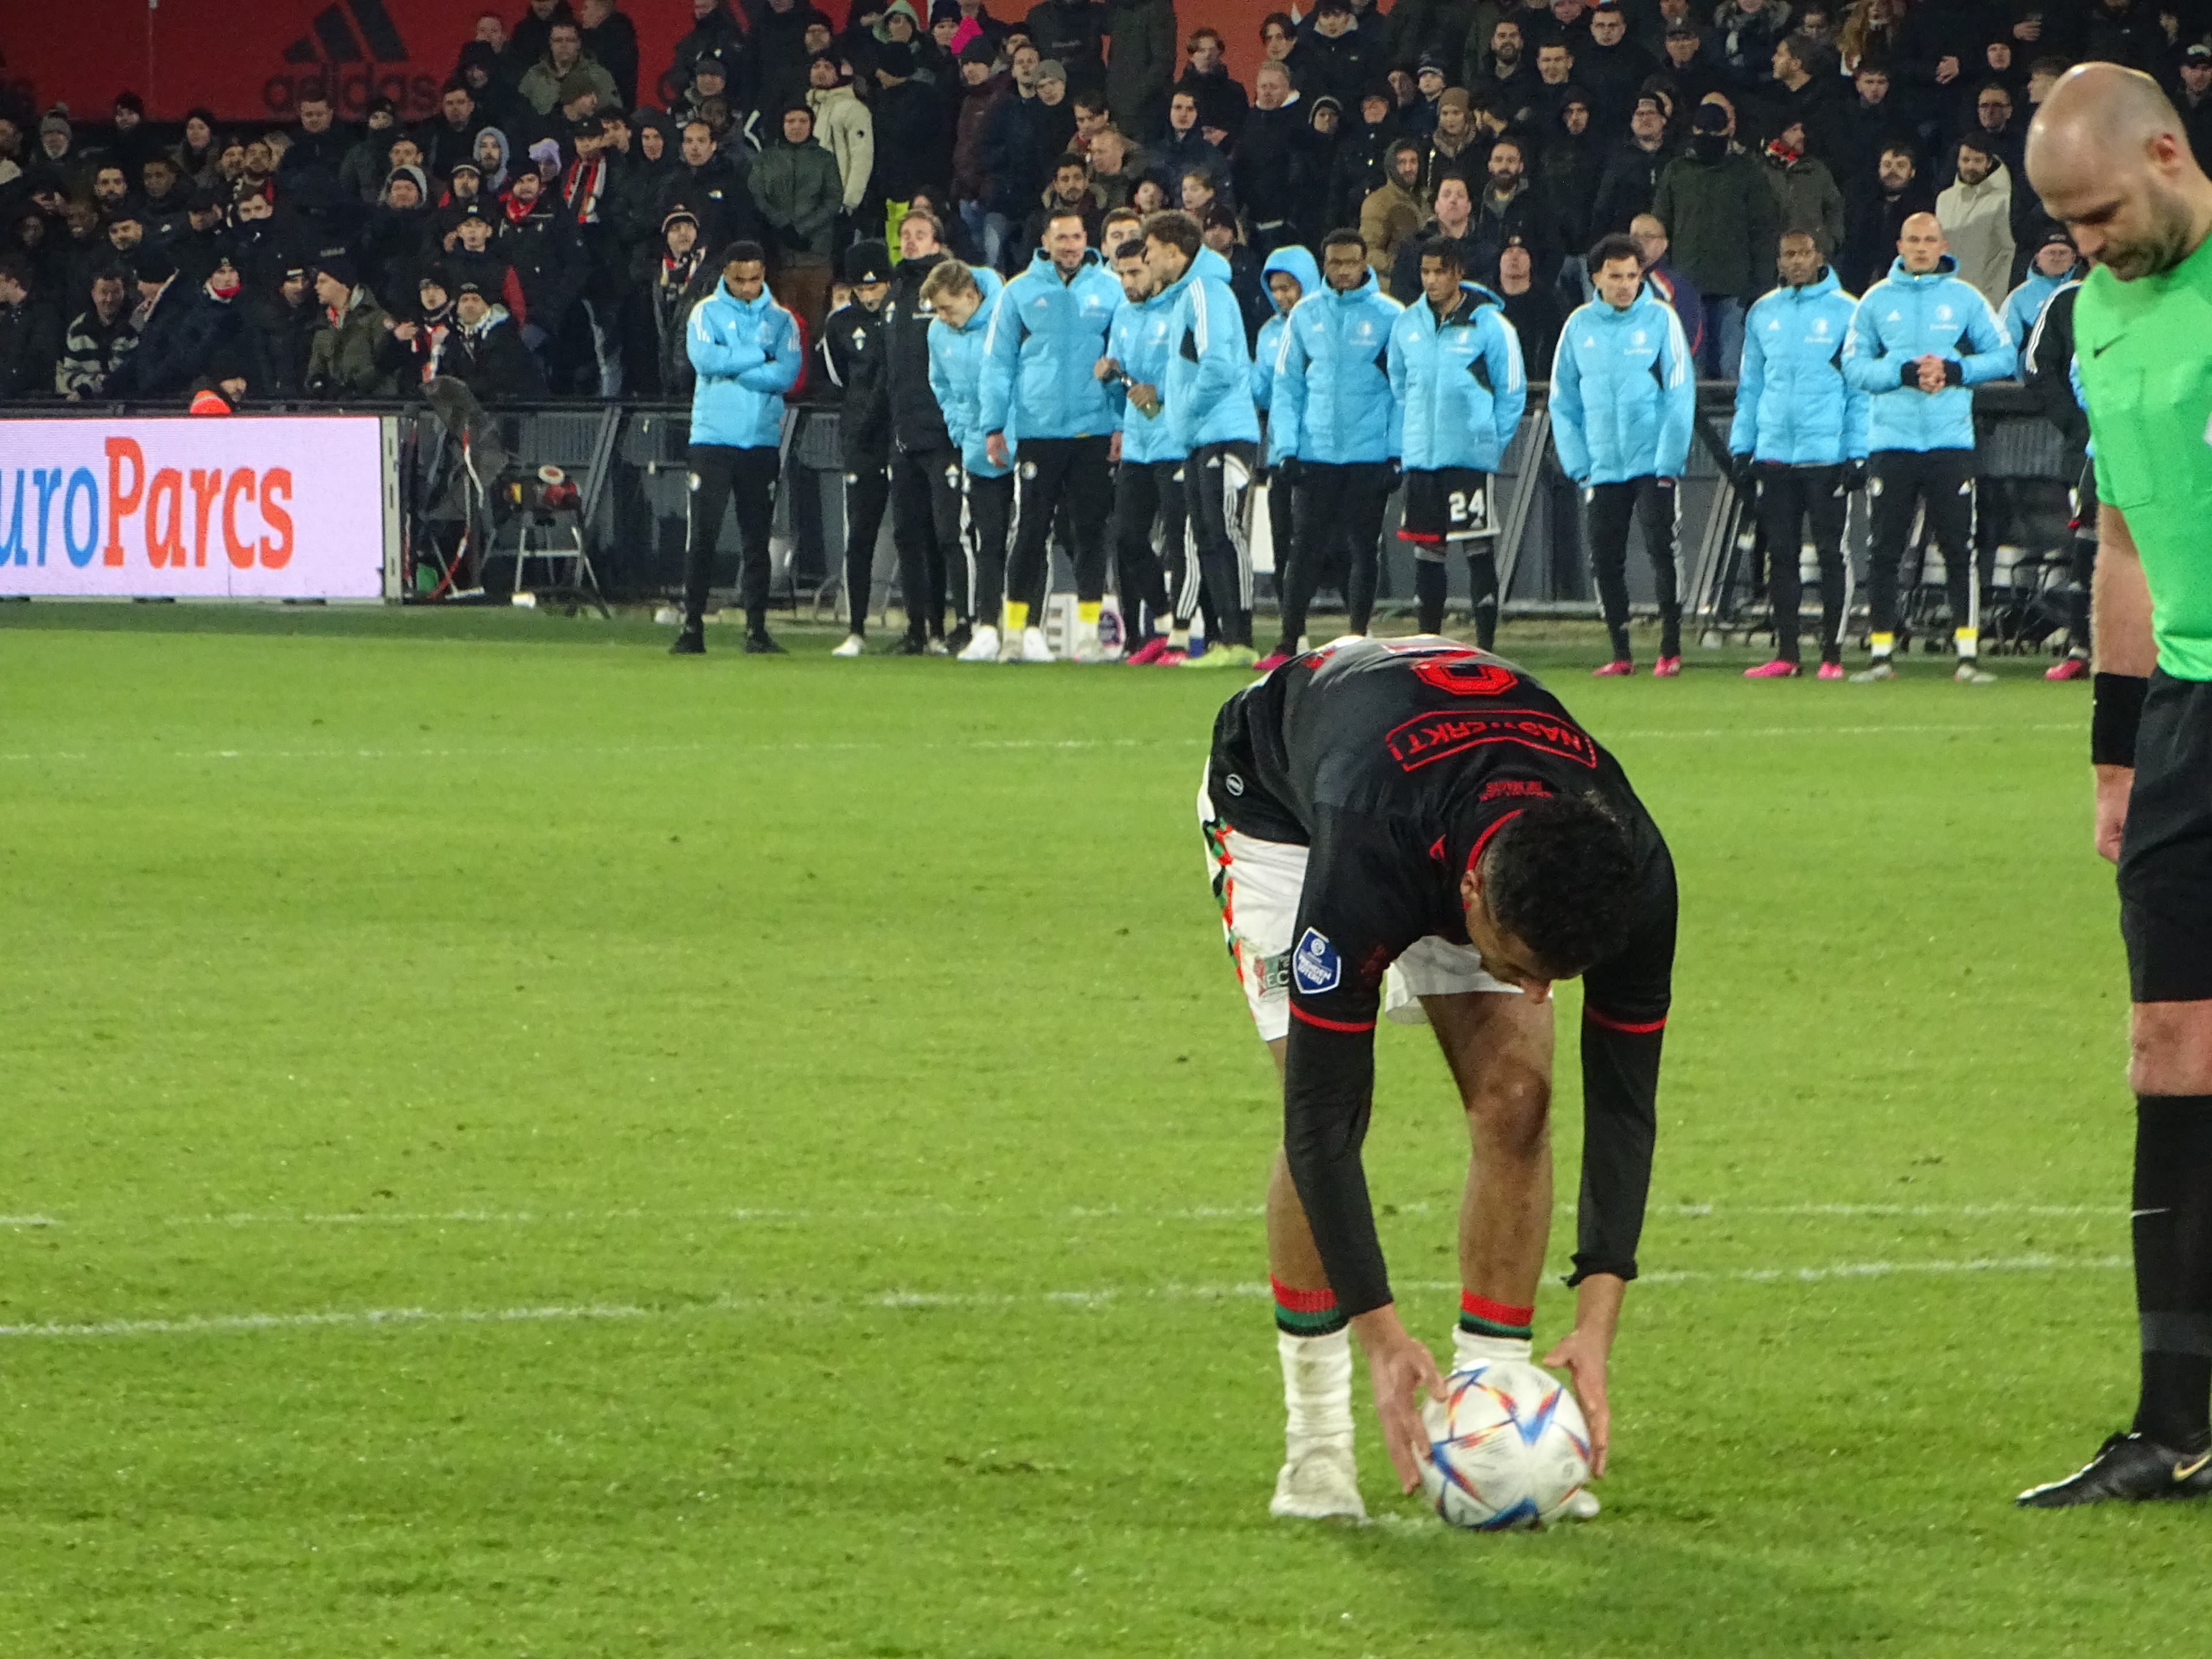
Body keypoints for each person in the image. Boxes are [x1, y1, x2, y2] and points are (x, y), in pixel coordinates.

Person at [1196, 634, 1676, 1521]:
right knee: (1336, 1095)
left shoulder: (1630, 869)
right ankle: (1316, 1447)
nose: (1535, 992)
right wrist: (1381, 1333)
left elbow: (1624, 1102)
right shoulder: (1366, 854)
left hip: (1456, 780)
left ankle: (1492, 1418)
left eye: (1556, 978)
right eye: (1523, 966)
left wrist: (1600, 1315)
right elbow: (1321, 1122)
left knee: (1520, 1098)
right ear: (1473, 900)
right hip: (1289, 816)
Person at [2017, 61, 2212, 1508]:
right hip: (2184, 724)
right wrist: (2111, 754)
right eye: (2068, 226)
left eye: (2099, 214)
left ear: (2166, 149)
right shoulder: (2087, 319)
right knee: (2166, 1048)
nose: (2089, 245)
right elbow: (2126, 548)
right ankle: (2168, 1423)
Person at [1840, 212, 2013, 683]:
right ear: (1900, 245)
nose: (1920, 248)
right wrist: (1901, 374)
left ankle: (1967, 657)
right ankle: (1880, 655)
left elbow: (2003, 354)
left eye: (1929, 240)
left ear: (1943, 245)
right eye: (1913, 240)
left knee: (1960, 550)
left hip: (1949, 441)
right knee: (1884, 552)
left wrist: (1955, 372)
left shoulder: (1964, 298)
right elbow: (1853, 366)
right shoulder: (1876, 301)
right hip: (1891, 442)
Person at [978, 207, 1121, 662]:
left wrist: (1119, 424)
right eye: (1062, 238)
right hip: (1038, 430)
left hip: (1093, 428)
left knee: (1091, 531)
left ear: (1087, 239)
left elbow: (1122, 358)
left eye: (1077, 236)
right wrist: (993, 425)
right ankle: (1015, 634)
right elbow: (998, 362)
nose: (1071, 245)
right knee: (1031, 531)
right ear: (1046, 241)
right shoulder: (1019, 291)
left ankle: (1087, 638)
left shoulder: (1111, 289)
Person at [1551, 232, 1696, 676]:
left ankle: (1670, 648)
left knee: (1661, 550)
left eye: (1632, 276)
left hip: (1653, 460)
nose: (1624, 284)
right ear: (1596, 277)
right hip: (1602, 465)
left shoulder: (1661, 320)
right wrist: (1580, 466)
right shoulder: (1578, 326)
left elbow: (1680, 391)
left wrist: (1670, 458)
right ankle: (1621, 653)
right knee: (1605, 557)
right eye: (1615, 276)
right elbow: (1562, 400)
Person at [1729, 229, 1870, 679]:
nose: (1795, 262)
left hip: (1825, 453)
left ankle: (1832, 654)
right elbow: (1750, 385)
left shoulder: (1848, 311)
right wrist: (1742, 444)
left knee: (1831, 552)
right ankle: (1787, 654)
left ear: (1819, 257)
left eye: (1803, 253)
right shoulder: (1762, 312)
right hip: (1774, 453)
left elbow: (1859, 390)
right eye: (1787, 254)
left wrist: (1857, 452)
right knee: (1782, 555)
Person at [1264, 228, 1404, 665]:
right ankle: (1289, 641)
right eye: (1334, 263)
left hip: (1368, 453)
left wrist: (1396, 451)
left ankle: (1358, 637)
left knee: (1363, 547)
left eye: (1350, 263)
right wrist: (1285, 448)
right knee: (1303, 546)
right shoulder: (1304, 316)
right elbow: (1286, 386)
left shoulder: (1391, 316)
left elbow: (1402, 390)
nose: (1342, 271)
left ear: (1365, 264)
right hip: (1315, 452)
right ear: (1324, 264)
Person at [1388, 237, 1526, 647]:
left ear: (1458, 273)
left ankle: (1486, 644)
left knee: (1477, 547)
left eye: (1438, 273)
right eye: (1425, 273)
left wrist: (1488, 441)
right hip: (1422, 457)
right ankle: (1429, 644)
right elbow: (1400, 384)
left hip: (1468, 456)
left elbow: (1512, 390)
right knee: (1428, 553)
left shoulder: (1490, 325)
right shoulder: (1407, 324)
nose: (1430, 281)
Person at [1143, 207, 1266, 667]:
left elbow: (1218, 366)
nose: (1148, 261)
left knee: (1225, 533)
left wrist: (1186, 410)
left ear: (1175, 253)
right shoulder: (1187, 295)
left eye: (1152, 252)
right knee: (1208, 537)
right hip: (1200, 436)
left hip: (1223, 432)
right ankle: (1224, 640)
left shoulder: (1205, 292)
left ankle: (1240, 638)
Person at [671, 241, 804, 656]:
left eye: (755, 279)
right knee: (703, 536)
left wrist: (736, 365)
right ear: (726, 275)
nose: (748, 287)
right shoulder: (705, 312)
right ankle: (692, 628)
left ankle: (757, 630)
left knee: (756, 539)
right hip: (711, 439)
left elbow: (785, 374)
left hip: (761, 441)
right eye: (739, 279)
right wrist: (755, 357)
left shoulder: (783, 320)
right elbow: (705, 361)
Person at [882, 210, 968, 652]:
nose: (911, 243)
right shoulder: (894, 294)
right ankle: (920, 628)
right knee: (908, 533)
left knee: (950, 534)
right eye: (905, 236)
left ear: (938, 243)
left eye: (920, 235)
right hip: (904, 436)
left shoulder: (951, 290)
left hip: (945, 434)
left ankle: (966, 622)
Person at [925, 257, 1018, 661]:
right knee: (987, 539)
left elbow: (1020, 380)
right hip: (976, 449)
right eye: (938, 310)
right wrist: (961, 430)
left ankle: (1022, 628)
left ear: (970, 295)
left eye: (948, 307)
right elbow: (941, 385)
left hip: (1018, 444)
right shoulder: (937, 333)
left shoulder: (1008, 319)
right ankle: (986, 627)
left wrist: (1013, 433)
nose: (943, 317)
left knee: (1025, 540)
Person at [1096, 233, 1182, 662]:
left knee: (1182, 543)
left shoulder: (1180, 308)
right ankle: (1165, 623)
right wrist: (1111, 375)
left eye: (1135, 271)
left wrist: (1160, 390)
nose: (1128, 282)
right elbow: (1124, 388)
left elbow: (1196, 371)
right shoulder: (1124, 316)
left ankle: (1195, 632)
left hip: (1177, 442)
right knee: (1127, 536)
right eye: (1121, 273)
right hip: (1138, 444)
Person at [1652, 103, 1778, 378]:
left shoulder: (1748, 173)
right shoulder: (1677, 171)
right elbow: (1660, 231)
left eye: (1715, 132)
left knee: (1731, 368)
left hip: (1735, 289)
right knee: (1688, 370)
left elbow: (1764, 231)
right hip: (1686, 288)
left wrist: (1762, 285)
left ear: (1729, 132)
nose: (1709, 138)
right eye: (1703, 131)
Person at [820, 241, 899, 657]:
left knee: (914, 532)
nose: (871, 294)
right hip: (860, 440)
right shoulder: (839, 325)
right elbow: (837, 377)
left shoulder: (902, 315)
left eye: (878, 285)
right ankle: (856, 629)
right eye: (863, 287)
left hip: (901, 437)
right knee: (861, 535)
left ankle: (926, 629)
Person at [1935, 134, 2017, 312]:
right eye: (1966, 160)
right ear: (1958, 161)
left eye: (1978, 160)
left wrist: (1994, 301)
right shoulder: (1944, 199)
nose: (1970, 166)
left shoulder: (2004, 200)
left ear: (1988, 163)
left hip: (1983, 301)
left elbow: (2006, 253)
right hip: (1945, 299)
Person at [2002, 224, 2084, 374]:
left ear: (2074, 258)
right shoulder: (2019, 297)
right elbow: (2005, 345)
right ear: (2038, 257)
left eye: (2063, 253)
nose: (2056, 258)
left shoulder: (2084, 291)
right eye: (2051, 252)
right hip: (2034, 382)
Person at [1494, 233, 1562, 377]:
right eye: (1508, 252)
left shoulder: (1551, 303)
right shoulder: (1484, 302)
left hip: (1538, 386)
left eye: (1522, 252)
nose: (1515, 257)